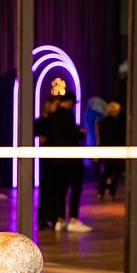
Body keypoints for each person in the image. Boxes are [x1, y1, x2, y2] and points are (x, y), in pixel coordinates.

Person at [49, 90, 91, 232]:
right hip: (71, 160)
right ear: (70, 102)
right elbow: (73, 135)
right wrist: (81, 132)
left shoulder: (53, 115)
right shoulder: (68, 114)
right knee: (75, 188)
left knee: (59, 190)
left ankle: (59, 220)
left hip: (56, 160)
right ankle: (73, 219)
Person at [34, 94, 60, 229]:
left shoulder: (53, 120)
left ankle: (51, 218)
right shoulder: (43, 121)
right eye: (55, 104)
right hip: (47, 159)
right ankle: (44, 219)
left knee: (53, 189)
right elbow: (42, 138)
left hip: (52, 158)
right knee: (46, 190)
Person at [96, 101, 125, 200]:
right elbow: (119, 137)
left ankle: (101, 192)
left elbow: (101, 137)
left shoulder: (103, 121)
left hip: (105, 149)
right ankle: (111, 192)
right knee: (114, 172)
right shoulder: (117, 123)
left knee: (106, 171)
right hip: (115, 150)